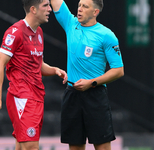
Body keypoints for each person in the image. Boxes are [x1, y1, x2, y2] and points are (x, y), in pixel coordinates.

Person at [0, 0, 67, 150]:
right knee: (31, 146)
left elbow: (38, 64)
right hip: (22, 97)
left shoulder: (39, 32)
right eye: (45, 5)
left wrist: (54, 70)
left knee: (22, 146)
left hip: (36, 97)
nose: (50, 9)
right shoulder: (15, 32)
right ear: (33, 9)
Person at [50, 0, 124, 150]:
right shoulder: (71, 23)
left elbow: (118, 70)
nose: (80, 9)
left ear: (95, 12)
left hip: (95, 95)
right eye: (79, 5)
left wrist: (92, 83)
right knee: (75, 146)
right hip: (72, 95)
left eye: (85, 6)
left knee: (102, 147)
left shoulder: (106, 35)